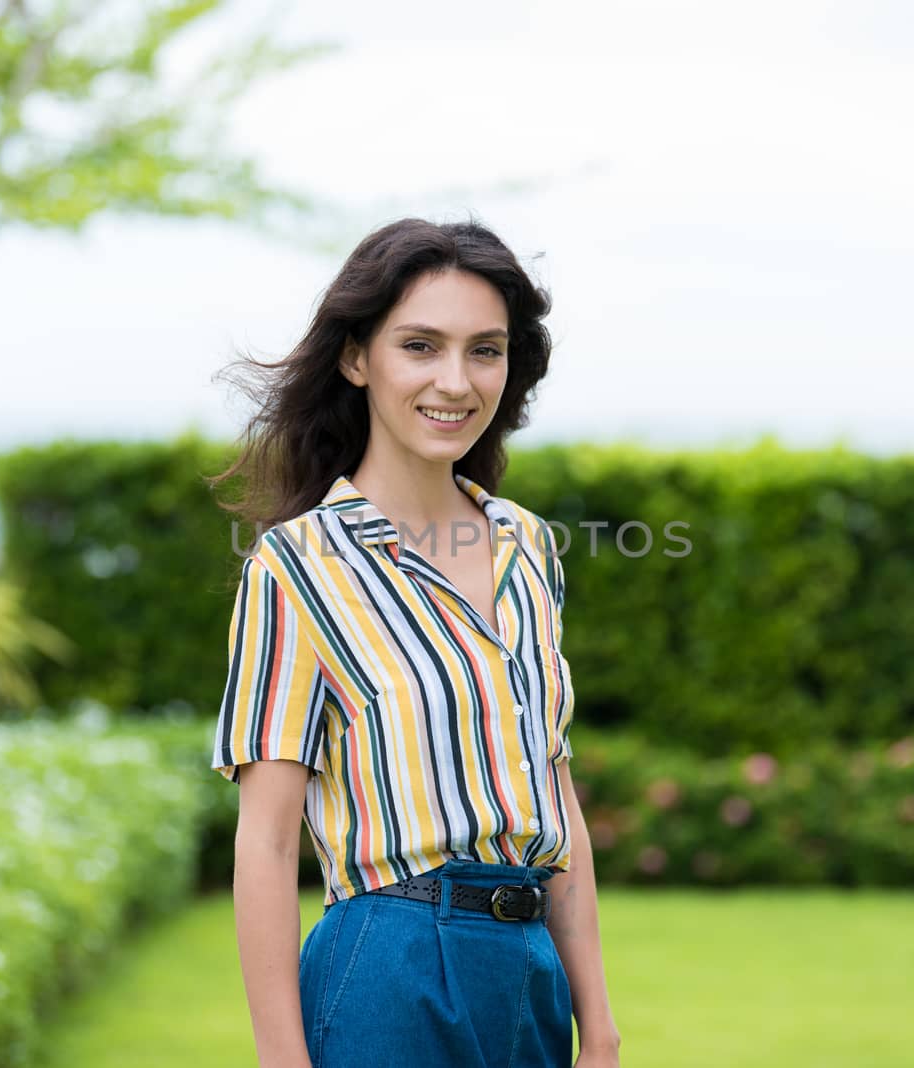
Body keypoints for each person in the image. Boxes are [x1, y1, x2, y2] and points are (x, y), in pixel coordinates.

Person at [207, 217, 621, 1067]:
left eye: (485, 350)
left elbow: (557, 798)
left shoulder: (528, 548)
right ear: (358, 359)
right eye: (421, 346)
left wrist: (600, 1027)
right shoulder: (299, 567)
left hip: (529, 974)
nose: (456, 381)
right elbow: (268, 840)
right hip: (387, 969)